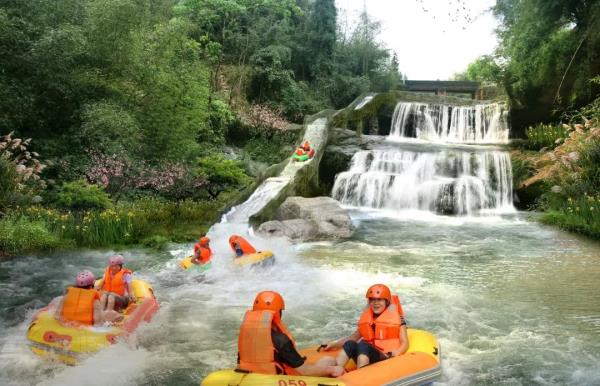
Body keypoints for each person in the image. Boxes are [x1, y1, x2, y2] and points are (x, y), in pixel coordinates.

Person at [237, 291, 344, 377]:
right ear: (278, 313)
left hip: (250, 376)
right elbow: (306, 372)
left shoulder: (247, 336)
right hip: (275, 378)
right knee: (329, 360)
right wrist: (332, 369)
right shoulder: (280, 340)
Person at [322, 284, 409, 369]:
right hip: (366, 354)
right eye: (372, 300)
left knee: (363, 345)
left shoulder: (398, 318)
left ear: (387, 301)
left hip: (385, 356)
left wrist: (397, 352)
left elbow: (405, 342)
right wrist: (334, 344)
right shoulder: (367, 319)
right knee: (350, 344)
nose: (375, 303)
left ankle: (361, 375)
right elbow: (353, 337)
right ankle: (336, 370)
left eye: (379, 300)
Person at [54, 271, 120, 326]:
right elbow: (97, 321)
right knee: (115, 316)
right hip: (84, 328)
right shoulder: (95, 301)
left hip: (66, 324)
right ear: (92, 285)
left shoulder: (66, 296)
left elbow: (57, 315)